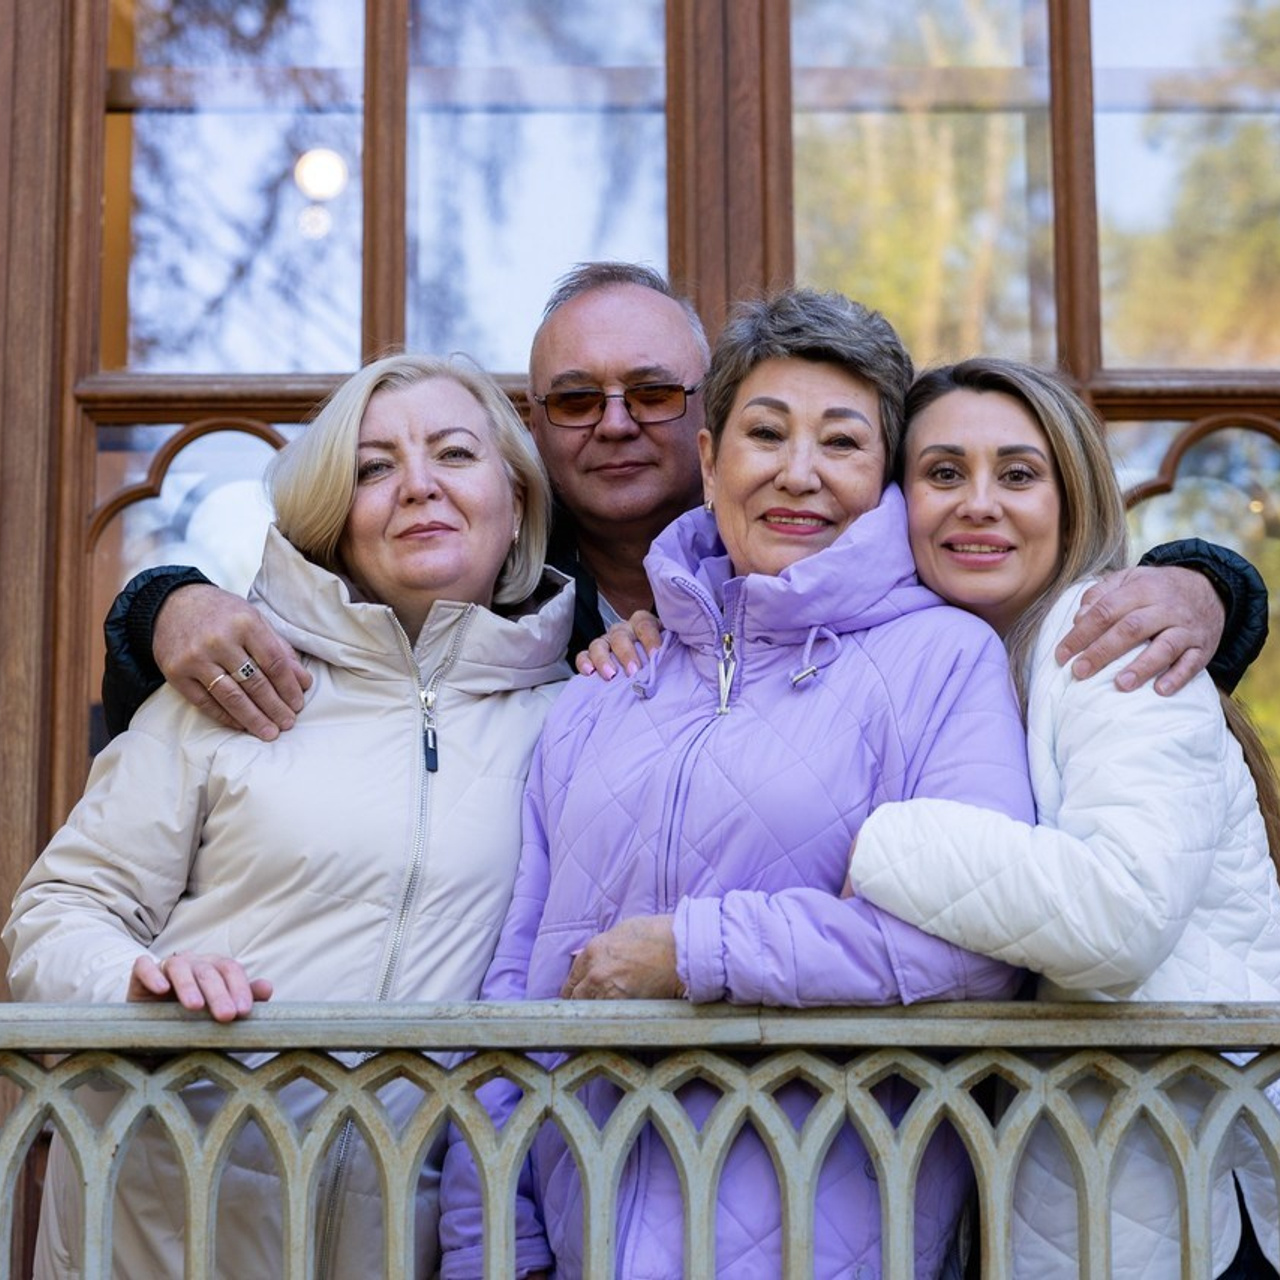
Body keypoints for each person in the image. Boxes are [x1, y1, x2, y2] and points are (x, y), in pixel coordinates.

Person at [437, 288, 1037, 1279]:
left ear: (882, 475)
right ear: (710, 459)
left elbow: (974, 945)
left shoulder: (941, 661)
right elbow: (510, 1004)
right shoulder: (600, 692)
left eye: (840, 443)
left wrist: (690, 949)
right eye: (764, 433)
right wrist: (490, 1252)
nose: (796, 473)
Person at [97, 264, 1264, 744]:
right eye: (573, 397)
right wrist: (159, 603)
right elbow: (299, 624)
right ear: (526, 435)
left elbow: (1011, 526)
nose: (613, 422)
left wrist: (1210, 580)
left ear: (707, 432)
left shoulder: (851, 560)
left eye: (652, 390)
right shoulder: (474, 577)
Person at [3, 353, 575, 1279]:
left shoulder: (581, 720)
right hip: (162, 1228)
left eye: (454, 454)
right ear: (336, 521)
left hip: (415, 1246)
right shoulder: (228, 688)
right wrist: (134, 983)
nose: (417, 487)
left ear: (516, 500)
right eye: (374, 467)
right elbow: (55, 914)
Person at [845, 357, 1280, 1278]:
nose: (978, 503)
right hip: (1063, 1200)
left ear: (1071, 497)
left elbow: (1118, 914)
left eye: (1017, 473)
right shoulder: (927, 670)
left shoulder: (1104, 634)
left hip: (1182, 1207)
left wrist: (866, 837)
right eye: (942, 473)